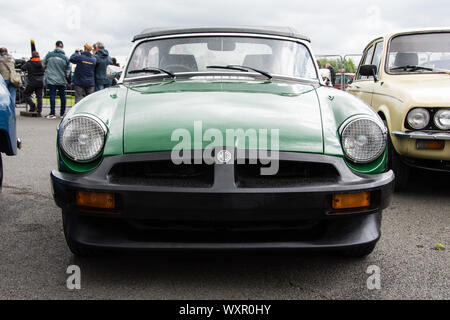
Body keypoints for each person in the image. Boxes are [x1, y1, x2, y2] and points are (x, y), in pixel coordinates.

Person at [43, 41, 71, 119]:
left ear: (55, 46)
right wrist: (69, 81)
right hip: (62, 80)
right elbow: (68, 71)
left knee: (52, 96)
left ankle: (52, 113)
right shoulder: (65, 58)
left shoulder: (49, 55)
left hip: (51, 79)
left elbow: (43, 64)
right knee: (62, 96)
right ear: (62, 47)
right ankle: (62, 113)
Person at [21, 51, 45, 116]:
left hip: (32, 82)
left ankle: (32, 105)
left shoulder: (29, 63)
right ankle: (39, 110)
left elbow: (22, 68)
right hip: (40, 82)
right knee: (39, 97)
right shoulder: (42, 63)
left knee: (26, 94)